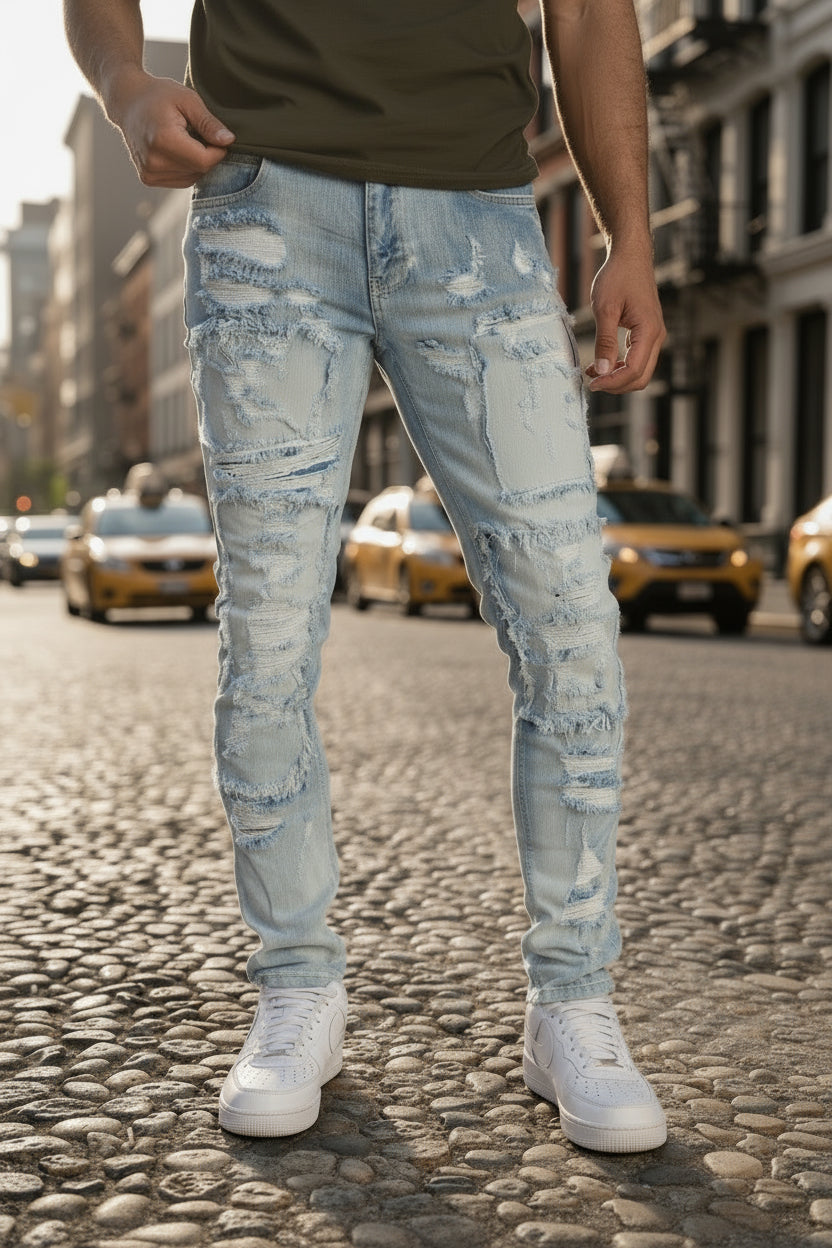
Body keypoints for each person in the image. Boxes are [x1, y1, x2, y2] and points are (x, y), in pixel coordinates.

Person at [64, 0, 667, 1152]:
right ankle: (297, 989)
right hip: (264, 203)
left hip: (483, 220)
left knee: (569, 627)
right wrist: (127, 86)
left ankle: (573, 1006)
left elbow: (591, 7)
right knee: (271, 641)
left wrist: (626, 234)